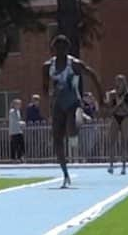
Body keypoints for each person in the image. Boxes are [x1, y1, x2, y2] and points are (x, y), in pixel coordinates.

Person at [42, 35, 103, 188]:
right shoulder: (47, 66)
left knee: (71, 131)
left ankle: (78, 118)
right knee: (57, 139)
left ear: (67, 49)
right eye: (57, 49)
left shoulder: (74, 64)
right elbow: (44, 86)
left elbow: (93, 75)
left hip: (73, 102)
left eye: (63, 49)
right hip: (58, 105)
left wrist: (101, 98)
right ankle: (65, 173)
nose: (60, 52)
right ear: (53, 49)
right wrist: (48, 94)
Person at [105, 75, 128, 176]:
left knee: (124, 142)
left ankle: (124, 167)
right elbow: (110, 111)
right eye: (117, 81)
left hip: (124, 117)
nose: (119, 84)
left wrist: (122, 104)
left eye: (121, 81)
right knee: (112, 142)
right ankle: (111, 165)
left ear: (124, 83)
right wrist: (117, 104)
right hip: (115, 117)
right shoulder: (112, 94)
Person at [8, 98, 25, 162]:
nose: (20, 105)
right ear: (14, 105)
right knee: (14, 145)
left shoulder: (18, 112)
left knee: (21, 144)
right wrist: (21, 123)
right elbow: (15, 121)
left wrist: (21, 124)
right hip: (14, 131)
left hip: (19, 130)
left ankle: (20, 157)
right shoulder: (12, 112)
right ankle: (13, 158)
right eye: (18, 104)